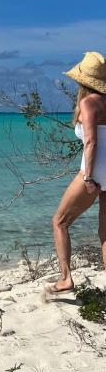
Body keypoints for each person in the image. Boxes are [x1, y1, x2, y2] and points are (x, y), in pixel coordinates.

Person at [48, 51, 106, 294]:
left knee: (59, 221)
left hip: (94, 171)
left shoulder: (87, 102)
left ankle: (65, 278)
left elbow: (91, 142)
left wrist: (88, 177)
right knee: (105, 232)